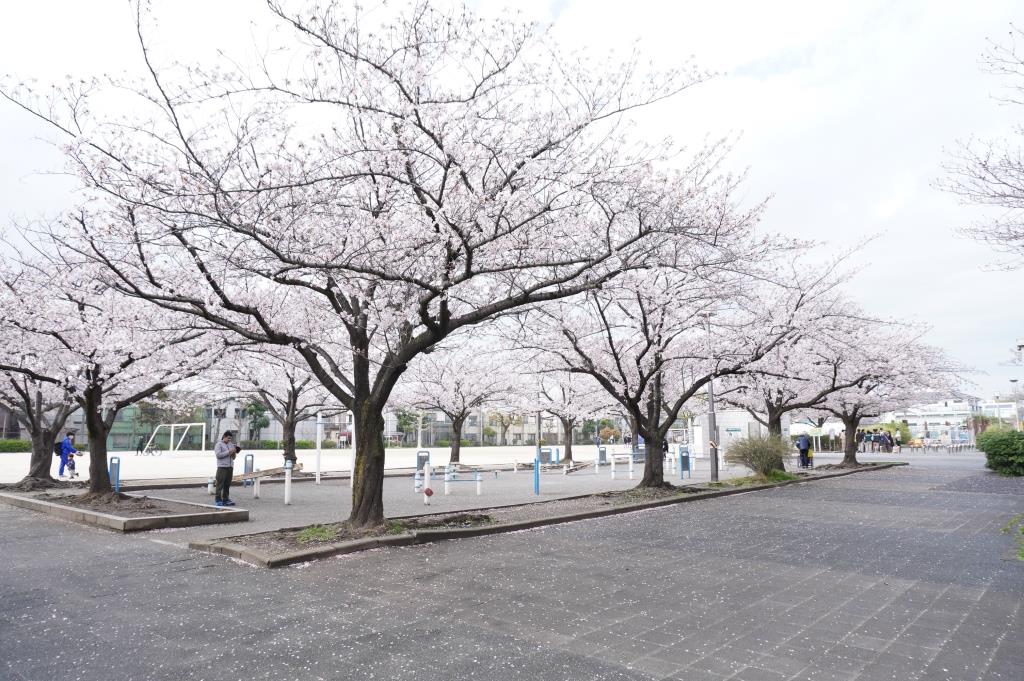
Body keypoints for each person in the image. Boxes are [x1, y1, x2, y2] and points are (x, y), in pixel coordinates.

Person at [214, 431, 240, 507]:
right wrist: (229, 451)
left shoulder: (230, 444)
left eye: (230, 438)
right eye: (228, 438)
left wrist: (234, 452)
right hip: (222, 467)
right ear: (224, 436)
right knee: (220, 484)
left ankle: (225, 499)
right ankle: (218, 500)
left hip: (230, 467)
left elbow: (233, 458)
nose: (229, 440)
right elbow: (218, 455)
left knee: (227, 484)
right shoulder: (219, 444)